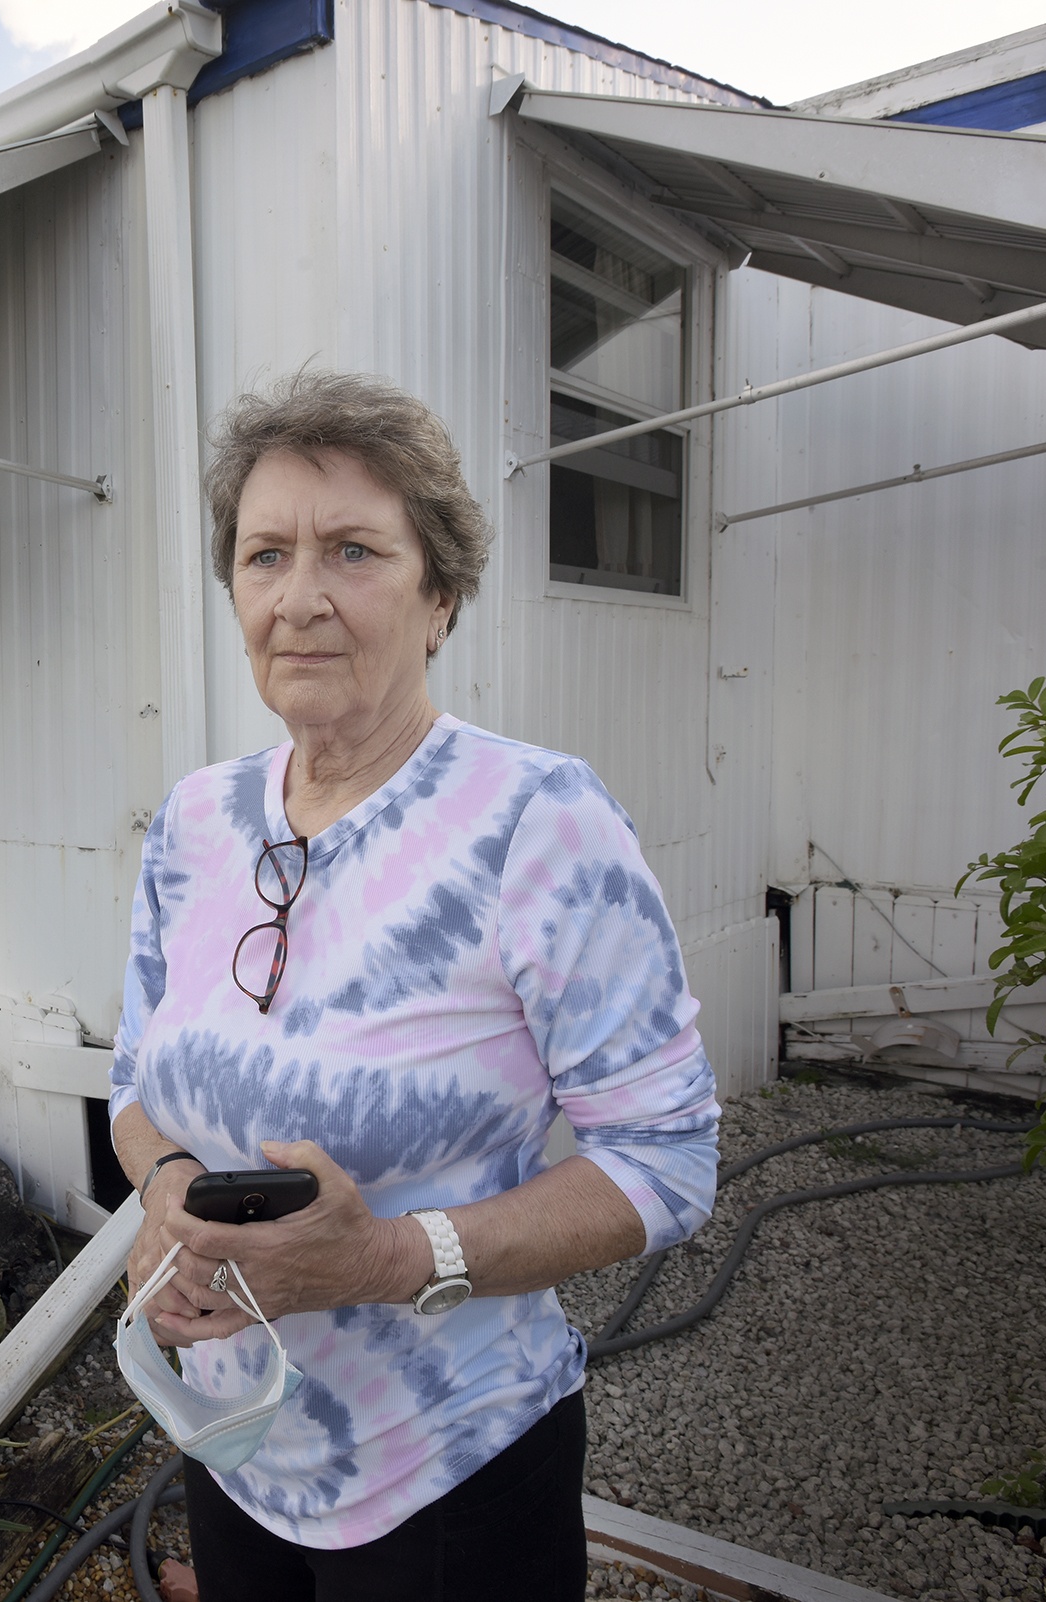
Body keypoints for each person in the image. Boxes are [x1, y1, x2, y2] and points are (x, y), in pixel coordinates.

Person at [109, 370, 720, 1599]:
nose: (302, 599)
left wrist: (384, 1260)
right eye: (266, 554)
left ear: (439, 597)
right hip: (234, 1441)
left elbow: (666, 1160)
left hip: (448, 1477)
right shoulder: (195, 822)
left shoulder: (533, 822)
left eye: (354, 552)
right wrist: (171, 1202)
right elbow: (135, 1088)